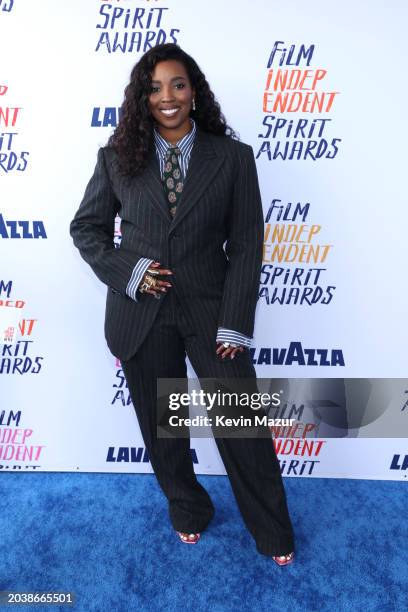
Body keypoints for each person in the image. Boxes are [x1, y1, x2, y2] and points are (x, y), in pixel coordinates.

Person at [70, 43, 295, 565]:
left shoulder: (233, 158)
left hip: (213, 311)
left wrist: (235, 323)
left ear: (194, 90)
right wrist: (133, 271)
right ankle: (188, 509)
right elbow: (87, 229)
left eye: (177, 85)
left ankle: (273, 531)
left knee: (243, 428)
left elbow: (246, 246)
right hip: (140, 314)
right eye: (153, 88)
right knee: (161, 425)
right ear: (141, 98)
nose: (166, 97)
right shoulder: (117, 158)